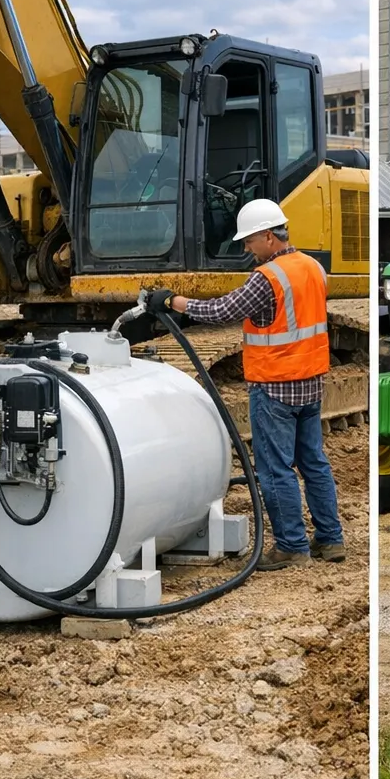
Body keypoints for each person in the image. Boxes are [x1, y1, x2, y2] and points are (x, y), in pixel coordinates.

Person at [144, 198, 346, 571]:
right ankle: (331, 539)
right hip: (310, 382)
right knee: (314, 462)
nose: (247, 249)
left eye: (249, 241)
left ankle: (292, 547)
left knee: (276, 470)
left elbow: (221, 311)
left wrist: (173, 301)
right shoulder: (313, 268)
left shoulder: (267, 278)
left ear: (269, 236)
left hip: (274, 385)